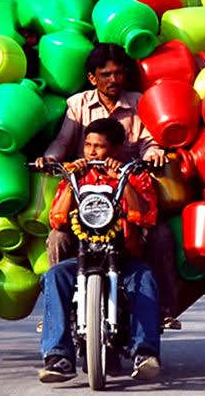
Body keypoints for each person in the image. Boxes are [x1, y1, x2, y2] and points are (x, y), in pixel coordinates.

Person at [35, 43, 181, 328]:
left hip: (128, 189)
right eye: (106, 74)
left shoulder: (140, 102)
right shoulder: (77, 105)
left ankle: (163, 309)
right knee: (57, 238)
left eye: (118, 73)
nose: (113, 80)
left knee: (160, 235)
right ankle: (56, 313)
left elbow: (150, 141)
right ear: (93, 78)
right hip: (85, 193)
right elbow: (62, 143)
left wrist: (153, 154)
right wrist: (50, 160)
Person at [39, 118, 161, 383]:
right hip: (83, 255)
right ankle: (58, 356)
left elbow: (144, 215)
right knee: (55, 276)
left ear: (116, 150)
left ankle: (145, 353)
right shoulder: (76, 175)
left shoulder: (134, 174)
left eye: (100, 147)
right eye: (88, 145)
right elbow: (57, 219)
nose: (92, 152)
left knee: (145, 279)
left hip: (124, 257)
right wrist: (73, 178)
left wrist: (122, 179)